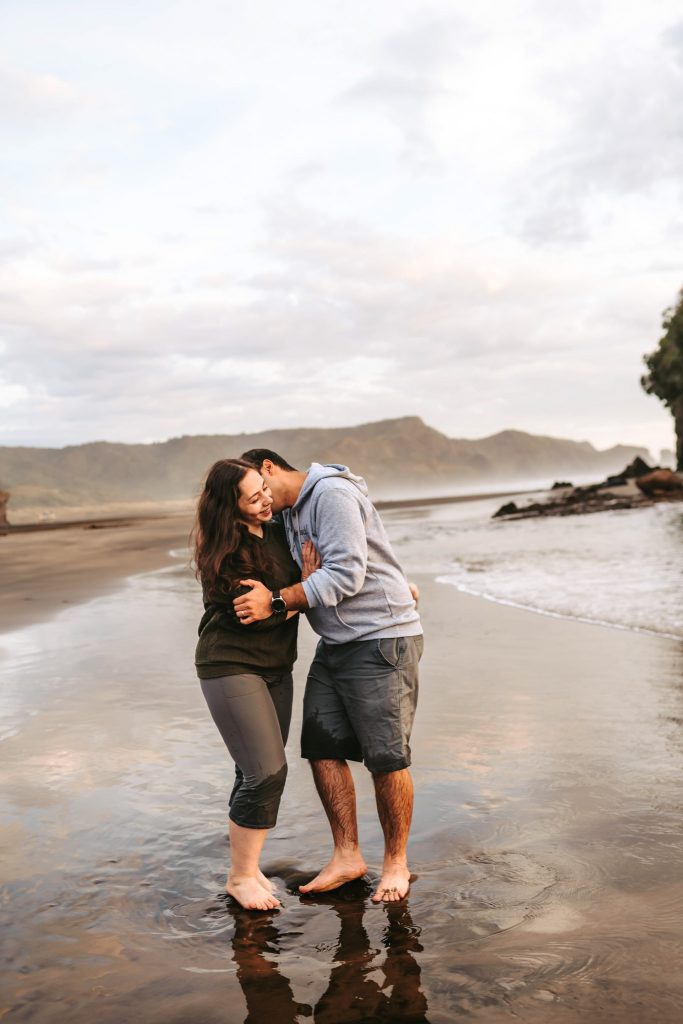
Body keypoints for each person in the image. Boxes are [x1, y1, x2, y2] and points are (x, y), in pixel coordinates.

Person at [233, 451, 423, 904]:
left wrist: (279, 600)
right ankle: (347, 856)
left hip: (380, 638)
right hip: (336, 643)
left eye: (258, 491)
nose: (260, 503)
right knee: (322, 750)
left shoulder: (332, 494)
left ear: (267, 468)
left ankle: (395, 864)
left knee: (386, 758)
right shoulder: (293, 511)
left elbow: (348, 574)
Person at [193, 458, 319, 911]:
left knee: (254, 771)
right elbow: (253, 617)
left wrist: (291, 593)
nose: (267, 499)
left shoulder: (276, 528)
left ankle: (248, 868)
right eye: (254, 498)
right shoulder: (228, 551)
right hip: (231, 664)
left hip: (276, 668)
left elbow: (279, 602)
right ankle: (241, 876)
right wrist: (297, 594)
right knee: (267, 772)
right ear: (232, 509)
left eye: (263, 488)